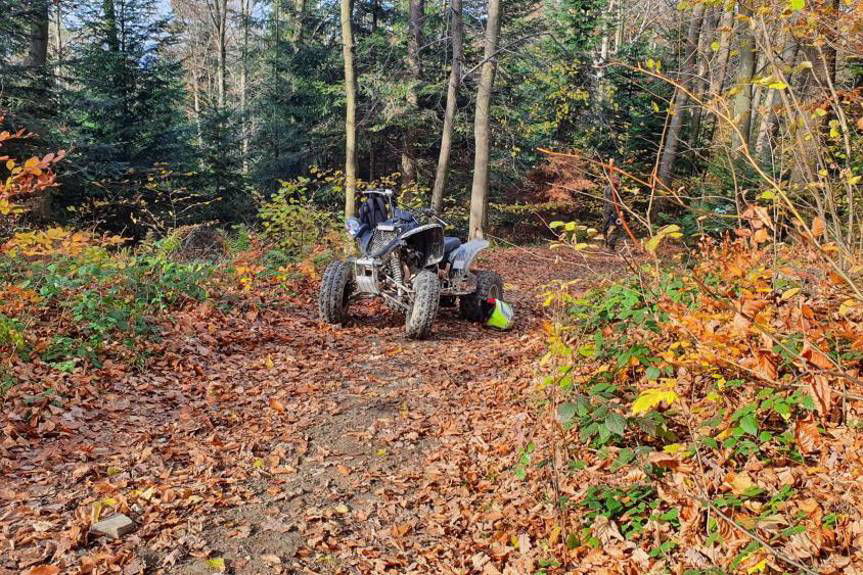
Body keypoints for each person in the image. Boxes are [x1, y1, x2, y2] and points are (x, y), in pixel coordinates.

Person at [601, 172, 622, 251]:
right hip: (611, 212)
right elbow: (612, 203)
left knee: (607, 227)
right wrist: (617, 213)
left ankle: (607, 245)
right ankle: (610, 246)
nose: (619, 182)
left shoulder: (608, 188)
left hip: (607, 211)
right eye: (617, 180)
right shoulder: (612, 189)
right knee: (615, 227)